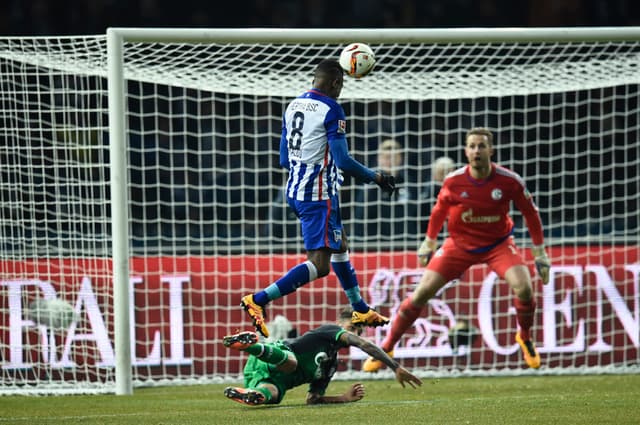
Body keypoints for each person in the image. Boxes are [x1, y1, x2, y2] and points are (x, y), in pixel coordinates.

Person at [362, 127, 551, 371]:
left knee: (524, 288)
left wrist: (540, 252)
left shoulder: (509, 181)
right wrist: (429, 242)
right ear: (465, 151)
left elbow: (531, 214)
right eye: (472, 146)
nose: (476, 151)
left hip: (498, 245)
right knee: (420, 294)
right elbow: (439, 210)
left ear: (491, 150)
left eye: (482, 146)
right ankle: (386, 347)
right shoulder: (454, 180)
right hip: (459, 245)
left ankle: (524, 337)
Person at [241, 59, 396, 338]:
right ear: (336, 83)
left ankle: (359, 307)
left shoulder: (294, 105)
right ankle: (259, 299)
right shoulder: (332, 109)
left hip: (298, 189)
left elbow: (284, 158)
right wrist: (377, 178)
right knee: (320, 264)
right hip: (317, 195)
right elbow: (344, 161)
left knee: (340, 244)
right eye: (341, 85)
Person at [222, 308, 423, 406]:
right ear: (339, 323)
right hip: (273, 355)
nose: (355, 335)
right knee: (292, 363)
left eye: (358, 331)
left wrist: (343, 398)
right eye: (352, 329)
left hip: (266, 377)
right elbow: (363, 344)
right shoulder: (330, 331)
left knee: (272, 395)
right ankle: (250, 346)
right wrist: (395, 367)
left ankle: (249, 394)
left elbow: (313, 399)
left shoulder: (330, 365)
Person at [352, 138, 419, 242]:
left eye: (394, 157)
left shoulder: (408, 182)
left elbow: (415, 214)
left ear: (400, 158)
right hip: (377, 245)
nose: (390, 161)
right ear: (379, 159)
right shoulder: (371, 184)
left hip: (407, 243)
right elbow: (360, 218)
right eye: (386, 157)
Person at [418, 156, 456, 233]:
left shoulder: (459, 191)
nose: (445, 176)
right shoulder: (428, 194)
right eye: (441, 172)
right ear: (434, 174)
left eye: (448, 172)